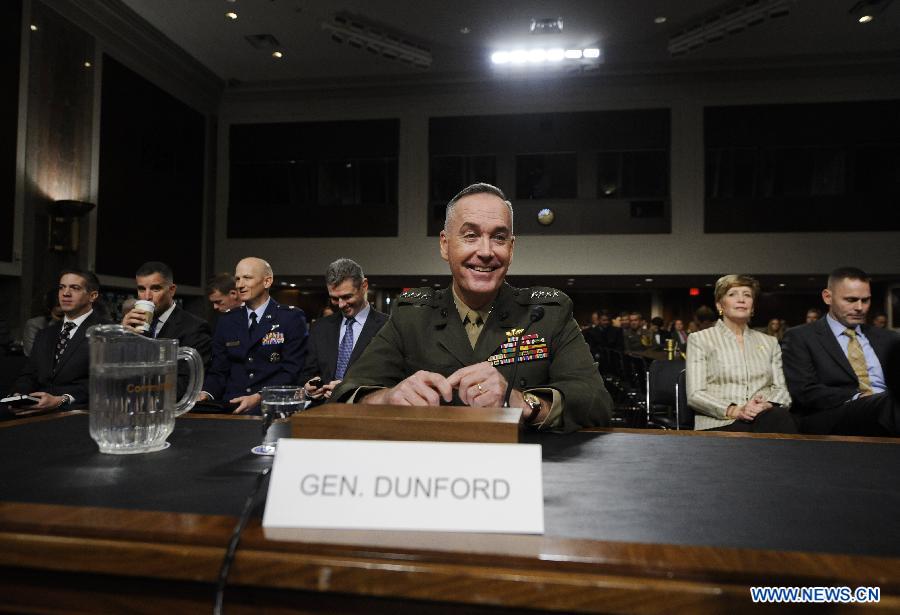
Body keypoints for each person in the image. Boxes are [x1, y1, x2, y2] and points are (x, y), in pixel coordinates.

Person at [331, 183, 612, 432]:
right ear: (445, 245)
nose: (487, 251)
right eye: (470, 236)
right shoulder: (411, 315)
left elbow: (596, 402)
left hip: (523, 473)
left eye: (499, 237)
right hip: (430, 475)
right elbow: (346, 391)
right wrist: (387, 399)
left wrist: (520, 401)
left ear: (511, 249)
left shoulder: (548, 313)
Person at [782, 267, 899, 436]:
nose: (859, 307)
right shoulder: (800, 337)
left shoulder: (888, 338)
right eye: (851, 300)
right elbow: (805, 391)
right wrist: (860, 398)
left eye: (865, 300)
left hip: (887, 409)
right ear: (827, 297)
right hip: (831, 414)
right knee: (889, 403)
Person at [686, 274, 795, 433]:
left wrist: (767, 405)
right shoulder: (700, 339)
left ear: (753, 306)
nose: (741, 299)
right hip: (719, 423)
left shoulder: (770, 342)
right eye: (732, 294)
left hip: (765, 419)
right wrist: (735, 410)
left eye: (747, 295)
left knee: (779, 416)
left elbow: (782, 391)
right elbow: (695, 395)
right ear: (719, 305)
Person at [201, 257, 308, 414]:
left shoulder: (290, 318)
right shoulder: (227, 320)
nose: (240, 285)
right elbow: (219, 370)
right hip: (231, 409)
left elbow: (291, 371)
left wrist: (260, 397)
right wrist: (206, 393)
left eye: (247, 278)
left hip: (272, 408)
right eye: (237, 279)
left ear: (267, 281)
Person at [7, 269, 108, 415]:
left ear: (92, 296)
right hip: (37, 412)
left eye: (75, 288)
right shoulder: (45, 334)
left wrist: (62, 399)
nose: (65, 293)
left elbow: (104, 383)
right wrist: (19, 395)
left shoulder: (106, 332)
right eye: (62, 287)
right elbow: (29, 374)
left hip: (80, 415)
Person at [301, 258, 388, 404]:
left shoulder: (388, 326)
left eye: (347, 297)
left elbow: (392, 380)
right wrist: (309, 387)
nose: (341, 305)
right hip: (322, 413)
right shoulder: (320, 327)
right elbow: (308, 372)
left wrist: (347, 390)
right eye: (335, 299)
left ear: (364, 286)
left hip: (366, 414)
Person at [120, 261, 212, 370]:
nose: (147, 296)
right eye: (142, 289)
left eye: (155, 289)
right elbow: (116, 369)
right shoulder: (133, 325)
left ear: (171, 290)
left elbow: (186, 380)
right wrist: (120, 335)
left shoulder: (195, 328)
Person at [22, 288, 63, 357]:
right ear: (50, 307)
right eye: (59, 305)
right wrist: (56, 324)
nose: (64, 308)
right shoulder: (34, 324)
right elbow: (32, 353)